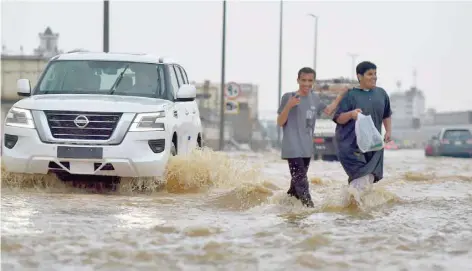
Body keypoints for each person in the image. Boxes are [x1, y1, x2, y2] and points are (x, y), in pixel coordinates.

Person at [277, 67, 347, 207]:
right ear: (298, 80)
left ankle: (285, 209)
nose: (306, 84)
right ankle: (310, 210)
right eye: (303, 80)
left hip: (306, 149)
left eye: (310, 81)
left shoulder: (315, 98)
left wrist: (340, 96)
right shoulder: (288, 97)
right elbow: (280, 122)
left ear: (313, 82)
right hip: (292, 148)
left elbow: (328, 111)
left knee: (296, 186)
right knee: (302, 182)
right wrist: (289, 106)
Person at [332, 61, 392, 193]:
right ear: (359, 76)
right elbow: (338, 118)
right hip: (350, 146)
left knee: (368, 178)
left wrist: (388, 131)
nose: (374, 77)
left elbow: (386, 114)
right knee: (361, 177)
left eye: (375, 74)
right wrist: (351, 114)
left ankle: (352, 209)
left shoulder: (382, 94)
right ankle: (353, 207)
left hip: (373, 145)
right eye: (370, 74)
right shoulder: (350, 95)